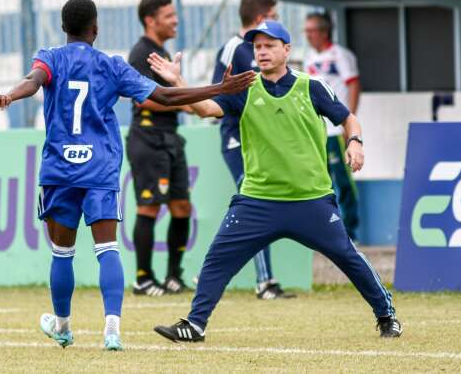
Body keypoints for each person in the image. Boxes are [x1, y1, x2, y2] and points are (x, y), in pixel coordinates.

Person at [0, 0, 256, 351]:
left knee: (62, 252)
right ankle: (112, 330)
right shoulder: (112, 66)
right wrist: (220, 88)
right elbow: (166, 97)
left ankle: (62, 326)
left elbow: (33, 82)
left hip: (60, 170)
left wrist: (9, 96)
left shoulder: (49, 57)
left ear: (64, 28)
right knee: (107, 247)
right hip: (98, 169)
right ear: (96, 29)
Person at [149, 21, 402, 342]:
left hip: (310, 200)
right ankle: (195, 325)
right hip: (257, 200)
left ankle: (387, 316)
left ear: (287, 50)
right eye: (257, 46)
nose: (263, 51)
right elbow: (205, 109)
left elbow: (347, 118)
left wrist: (355, 142)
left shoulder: (312, 86)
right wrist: (179, 81)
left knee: (349, 258)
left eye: (270, 45)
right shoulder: (242, 87)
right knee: (216, 261)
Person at [211, 0, 294, 300]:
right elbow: (221, 94)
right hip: (239, 140)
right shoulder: (237, 49)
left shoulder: (261, 49)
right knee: (253, 205)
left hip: (263, 141)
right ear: (262, 18)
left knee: (261, 205)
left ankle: (218, 265)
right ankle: (264, 281)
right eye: (275, 14)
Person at [127, 0, 193, 296]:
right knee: (150, 206)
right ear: (150, 21)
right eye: (169, 15)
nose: (175, 20)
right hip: (149, 138)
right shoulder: (142, 53)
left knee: (181, 206)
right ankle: (143, 277)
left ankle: (173, 276)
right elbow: (145, 100)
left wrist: (186, 103)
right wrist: (186, 104)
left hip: (170, 138)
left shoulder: (162, 53)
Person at [304, 12, 361, 241]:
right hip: (318, 131)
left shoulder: (341, 56)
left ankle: (350, 231)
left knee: (344, 181)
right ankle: (326, 231)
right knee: (321, 182)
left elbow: (354, 85)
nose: (308, 36)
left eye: (311, 31)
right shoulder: (308, 58)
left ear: (323, 31)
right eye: (305, 31)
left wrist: (351, 121)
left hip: (338, 129)